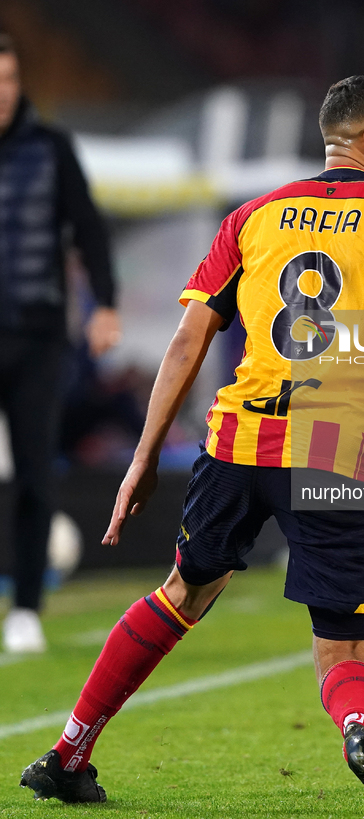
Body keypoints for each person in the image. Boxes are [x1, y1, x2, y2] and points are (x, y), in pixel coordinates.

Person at [20, 75, 364, 812]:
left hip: (235, 441)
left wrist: (143, 457)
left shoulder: (253, 215)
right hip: (332, 450)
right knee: (344, 649)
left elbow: (191, 336)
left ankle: (68, 750)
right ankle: (357, 729)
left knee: (183, 590)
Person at [0, 34, 121, 653]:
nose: (3, 93)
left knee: (33, 474)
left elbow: (90, 228)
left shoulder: (50, 149)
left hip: (36, 338)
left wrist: (103, 302)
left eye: (10, 80)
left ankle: (24, 607)